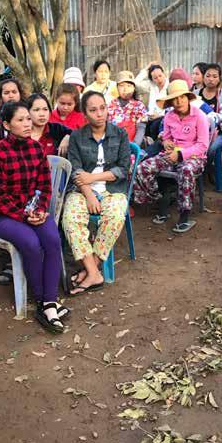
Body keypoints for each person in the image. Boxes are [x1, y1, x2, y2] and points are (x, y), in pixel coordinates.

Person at [0, 101, 67, 333]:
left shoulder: (36, 149)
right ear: (6, 124)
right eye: (20, 120)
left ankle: (48, 302)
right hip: (5, 215)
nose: (27, 124)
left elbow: (44, 186)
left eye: (28, 119)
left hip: (34, 211)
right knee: (31, 243)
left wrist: (40, 210)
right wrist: (24, 215)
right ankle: (44, 301)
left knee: (52, 240)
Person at [62, 91, 130, 296]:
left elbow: (123, 169)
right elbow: (75, 170)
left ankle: (90, 269)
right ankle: (94, 273)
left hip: (113, 189)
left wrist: (92, 178)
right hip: (82, 190)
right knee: (70, 219)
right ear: (84, 114)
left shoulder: (120, 134)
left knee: (115, 216)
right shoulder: (77, 136)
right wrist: (89, 194)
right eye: (93, 110)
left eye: (103, 108)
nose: (100, 114)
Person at [133, 80, 209, 233]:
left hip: (194, 156)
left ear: (188, 98)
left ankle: (184, 215)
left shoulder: (199, 116)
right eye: (175, 98)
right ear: (171, 101)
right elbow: (166, 137)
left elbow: (203, 145)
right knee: (142, 168)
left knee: (186, 170)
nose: (179, 101)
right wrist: (165, 141)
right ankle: (160, 198)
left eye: (182, 97)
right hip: (171, 154)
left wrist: (180, 154)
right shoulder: (169, 116)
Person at [195, 63, 222, 171]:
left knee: (211, 148)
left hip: (219, 132)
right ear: (203, 77)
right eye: (208, 76)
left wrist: (209, 116)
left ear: (219, 78)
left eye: (215, 76)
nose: (211, 79)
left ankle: (205, 169)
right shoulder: (195, 93)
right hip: (197, 130)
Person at [107, 71, 148, 144]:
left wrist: (134, 145)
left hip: (133, 144)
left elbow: (141, 128)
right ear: (117, 87)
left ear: (134, 88)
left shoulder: (139, 106)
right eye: (122, 85)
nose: (125, 89)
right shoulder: (110, 105)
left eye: (129, 86)